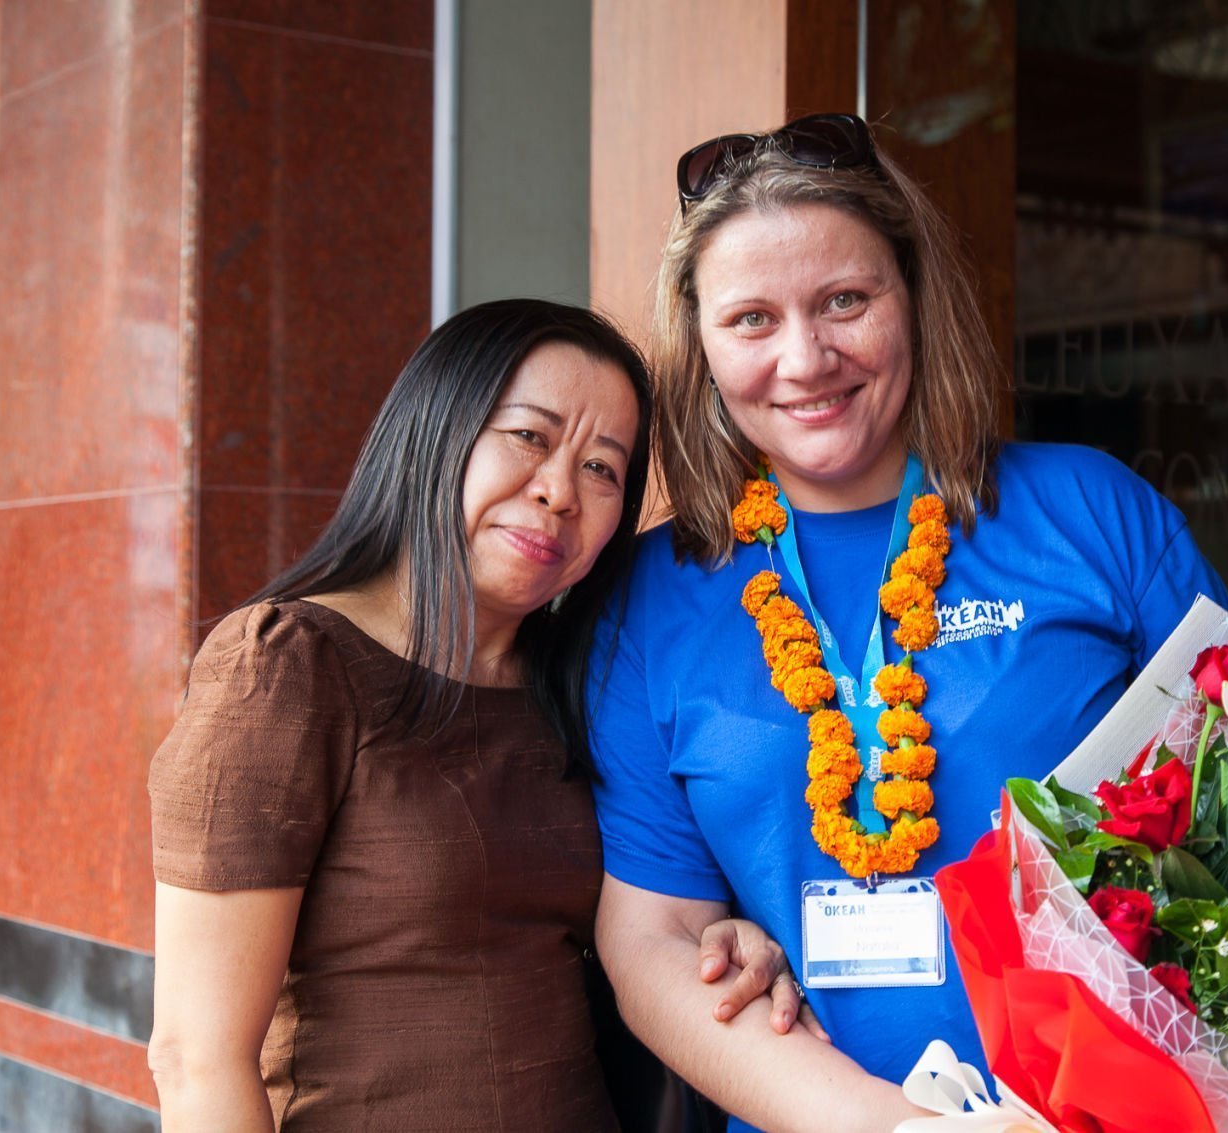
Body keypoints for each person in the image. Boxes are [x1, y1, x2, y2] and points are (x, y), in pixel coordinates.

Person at [586, 115, 1228, 1132]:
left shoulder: (1093, 513)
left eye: (845, 300)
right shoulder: (649, 597)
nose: (805, 358)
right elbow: (655, 937)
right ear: (699, 342)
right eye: (751, 319)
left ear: (914, 296)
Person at [146, 299, 810, 1132]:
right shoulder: (287, 666)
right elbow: (197, 1058)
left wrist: (728, 937)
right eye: (529, 436)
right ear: (436, 429)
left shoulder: (584, 680)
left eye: (602, 468)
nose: (559, 491)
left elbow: (648, 916)